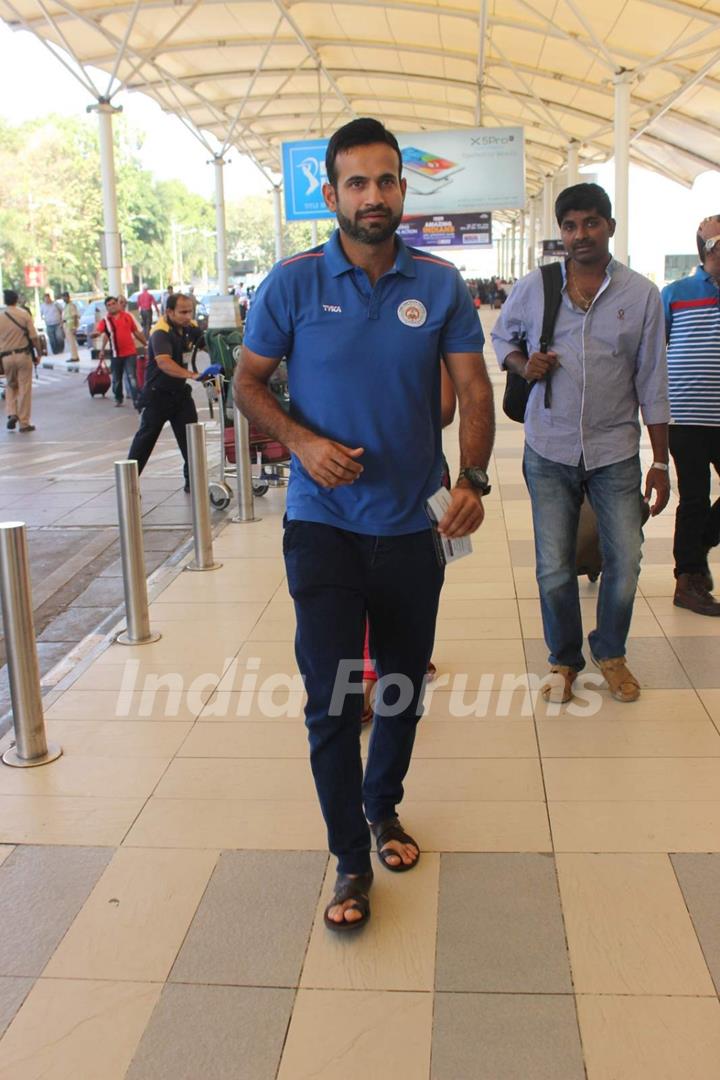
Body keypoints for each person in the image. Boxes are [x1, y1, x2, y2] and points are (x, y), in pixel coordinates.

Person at [235, 117, 493, 933]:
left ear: (403, 191)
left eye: (386, 181)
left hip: (413, 522)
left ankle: (384, 808)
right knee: (330, 697)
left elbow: (475, 393)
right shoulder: (293, 283)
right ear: (330, 192)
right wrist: (302, 443)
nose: (372, 196)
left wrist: (476, 476)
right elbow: (248, 384)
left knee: (402, 685)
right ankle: (349, 856)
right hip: (322, 523)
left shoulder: (442, 283)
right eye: (356, 182)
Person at [492, 182, 670, 706]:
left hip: (615, 451)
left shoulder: (640, 295)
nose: (580, 234)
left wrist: (659, 462)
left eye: (591, 223)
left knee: (627, 558)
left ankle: (609, 651)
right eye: (570, 225)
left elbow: (653, 380)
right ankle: (563, 659)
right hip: (548, 449)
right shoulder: (538, 286)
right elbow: (503, 337)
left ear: (610, 226)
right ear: (561, 232)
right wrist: (525, 365)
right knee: (552, 564)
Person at [661, 215, 720, 616]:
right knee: (695, 497)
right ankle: (689, 579)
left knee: (698, 506)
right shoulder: (677, 293)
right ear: (711, 250)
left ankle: (696, 550)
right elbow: (653, 349)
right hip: (687, 416)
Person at [127, 292, 221, 490]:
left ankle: (193, 483)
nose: (188, 316)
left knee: (191, 440)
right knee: (145, 442)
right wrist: (193, 375)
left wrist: (218, 363)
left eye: (191, 312)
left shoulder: (190, 328)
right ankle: (128, 486)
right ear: (169, 311)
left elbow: (208, 345)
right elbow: (164, 363)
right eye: (183, 312)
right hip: (157, 395)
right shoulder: (160, 332)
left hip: (180, 396)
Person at [0, 289, 40, 432]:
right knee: (24, 387)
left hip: (6, 357)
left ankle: (12, 413)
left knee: (10, 385)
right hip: (23, 355)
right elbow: (34, 337)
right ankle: (24, 422)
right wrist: (39, 353)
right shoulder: (24, 314)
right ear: (16, 299)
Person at [96, 296, 146, 408]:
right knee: (116, 380)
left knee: (132, 377)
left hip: (130, 354)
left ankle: (137, 401)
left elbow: (136, 332)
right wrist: (102, 349)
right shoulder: (106, 320)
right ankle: (118, 398)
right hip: (116, 355)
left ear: (117, 304)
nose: (112, 306)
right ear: (106, 308)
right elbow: (102, 334)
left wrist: (146, 344)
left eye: (114, 303)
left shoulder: (127, 316)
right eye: (109, 305)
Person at [61, 292, 80, 362]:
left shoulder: (72, 305)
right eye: (63, 297)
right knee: (69, 342)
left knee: (72, 342)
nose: (64, 299)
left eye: (65, 297)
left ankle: (74, 357)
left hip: (71, 326)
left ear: (68, 297)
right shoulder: (66, 306)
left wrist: (75, 327)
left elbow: (75, 316)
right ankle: (73, 356)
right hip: (67, 325)